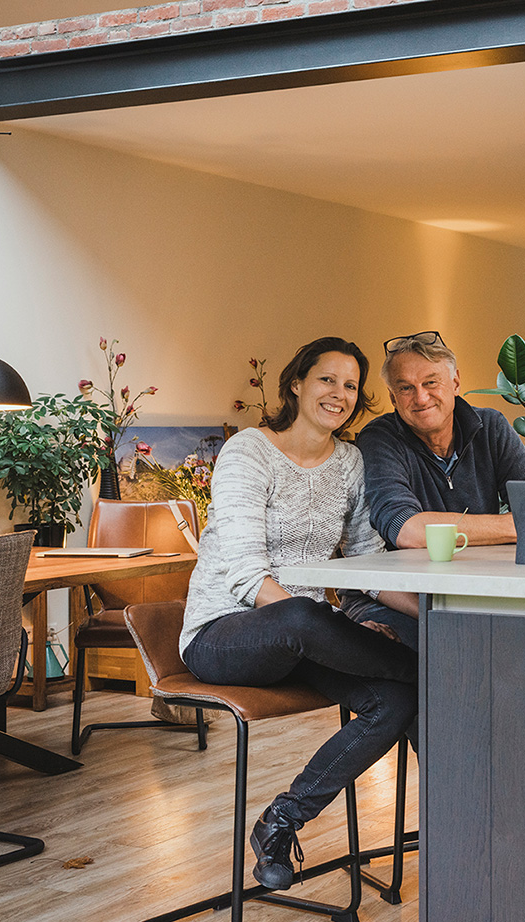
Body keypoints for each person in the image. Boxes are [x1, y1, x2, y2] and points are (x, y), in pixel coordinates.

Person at [179, 336, 420, 892]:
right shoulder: (249, 450)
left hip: (303, 638)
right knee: (304, 617)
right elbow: (243, 570)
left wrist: (432, 620)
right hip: (224, 634)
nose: (339, 393)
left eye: (351, 386)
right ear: (296, 383)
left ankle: (281, 820)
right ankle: (436, 671)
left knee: (397, 700)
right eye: (327, 379)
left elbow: (366, 560)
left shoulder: (351, 463)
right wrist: (340, 631)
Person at [342, 330, 525, 649]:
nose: (420, 398)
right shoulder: (380, 438)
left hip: (472, 590)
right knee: (453, 649)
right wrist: (516, 525)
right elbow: (407, 531)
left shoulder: (490, 426)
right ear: (393, 398)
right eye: (405, 388)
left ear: (455, 382)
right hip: (393, 599)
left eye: (430, 382)